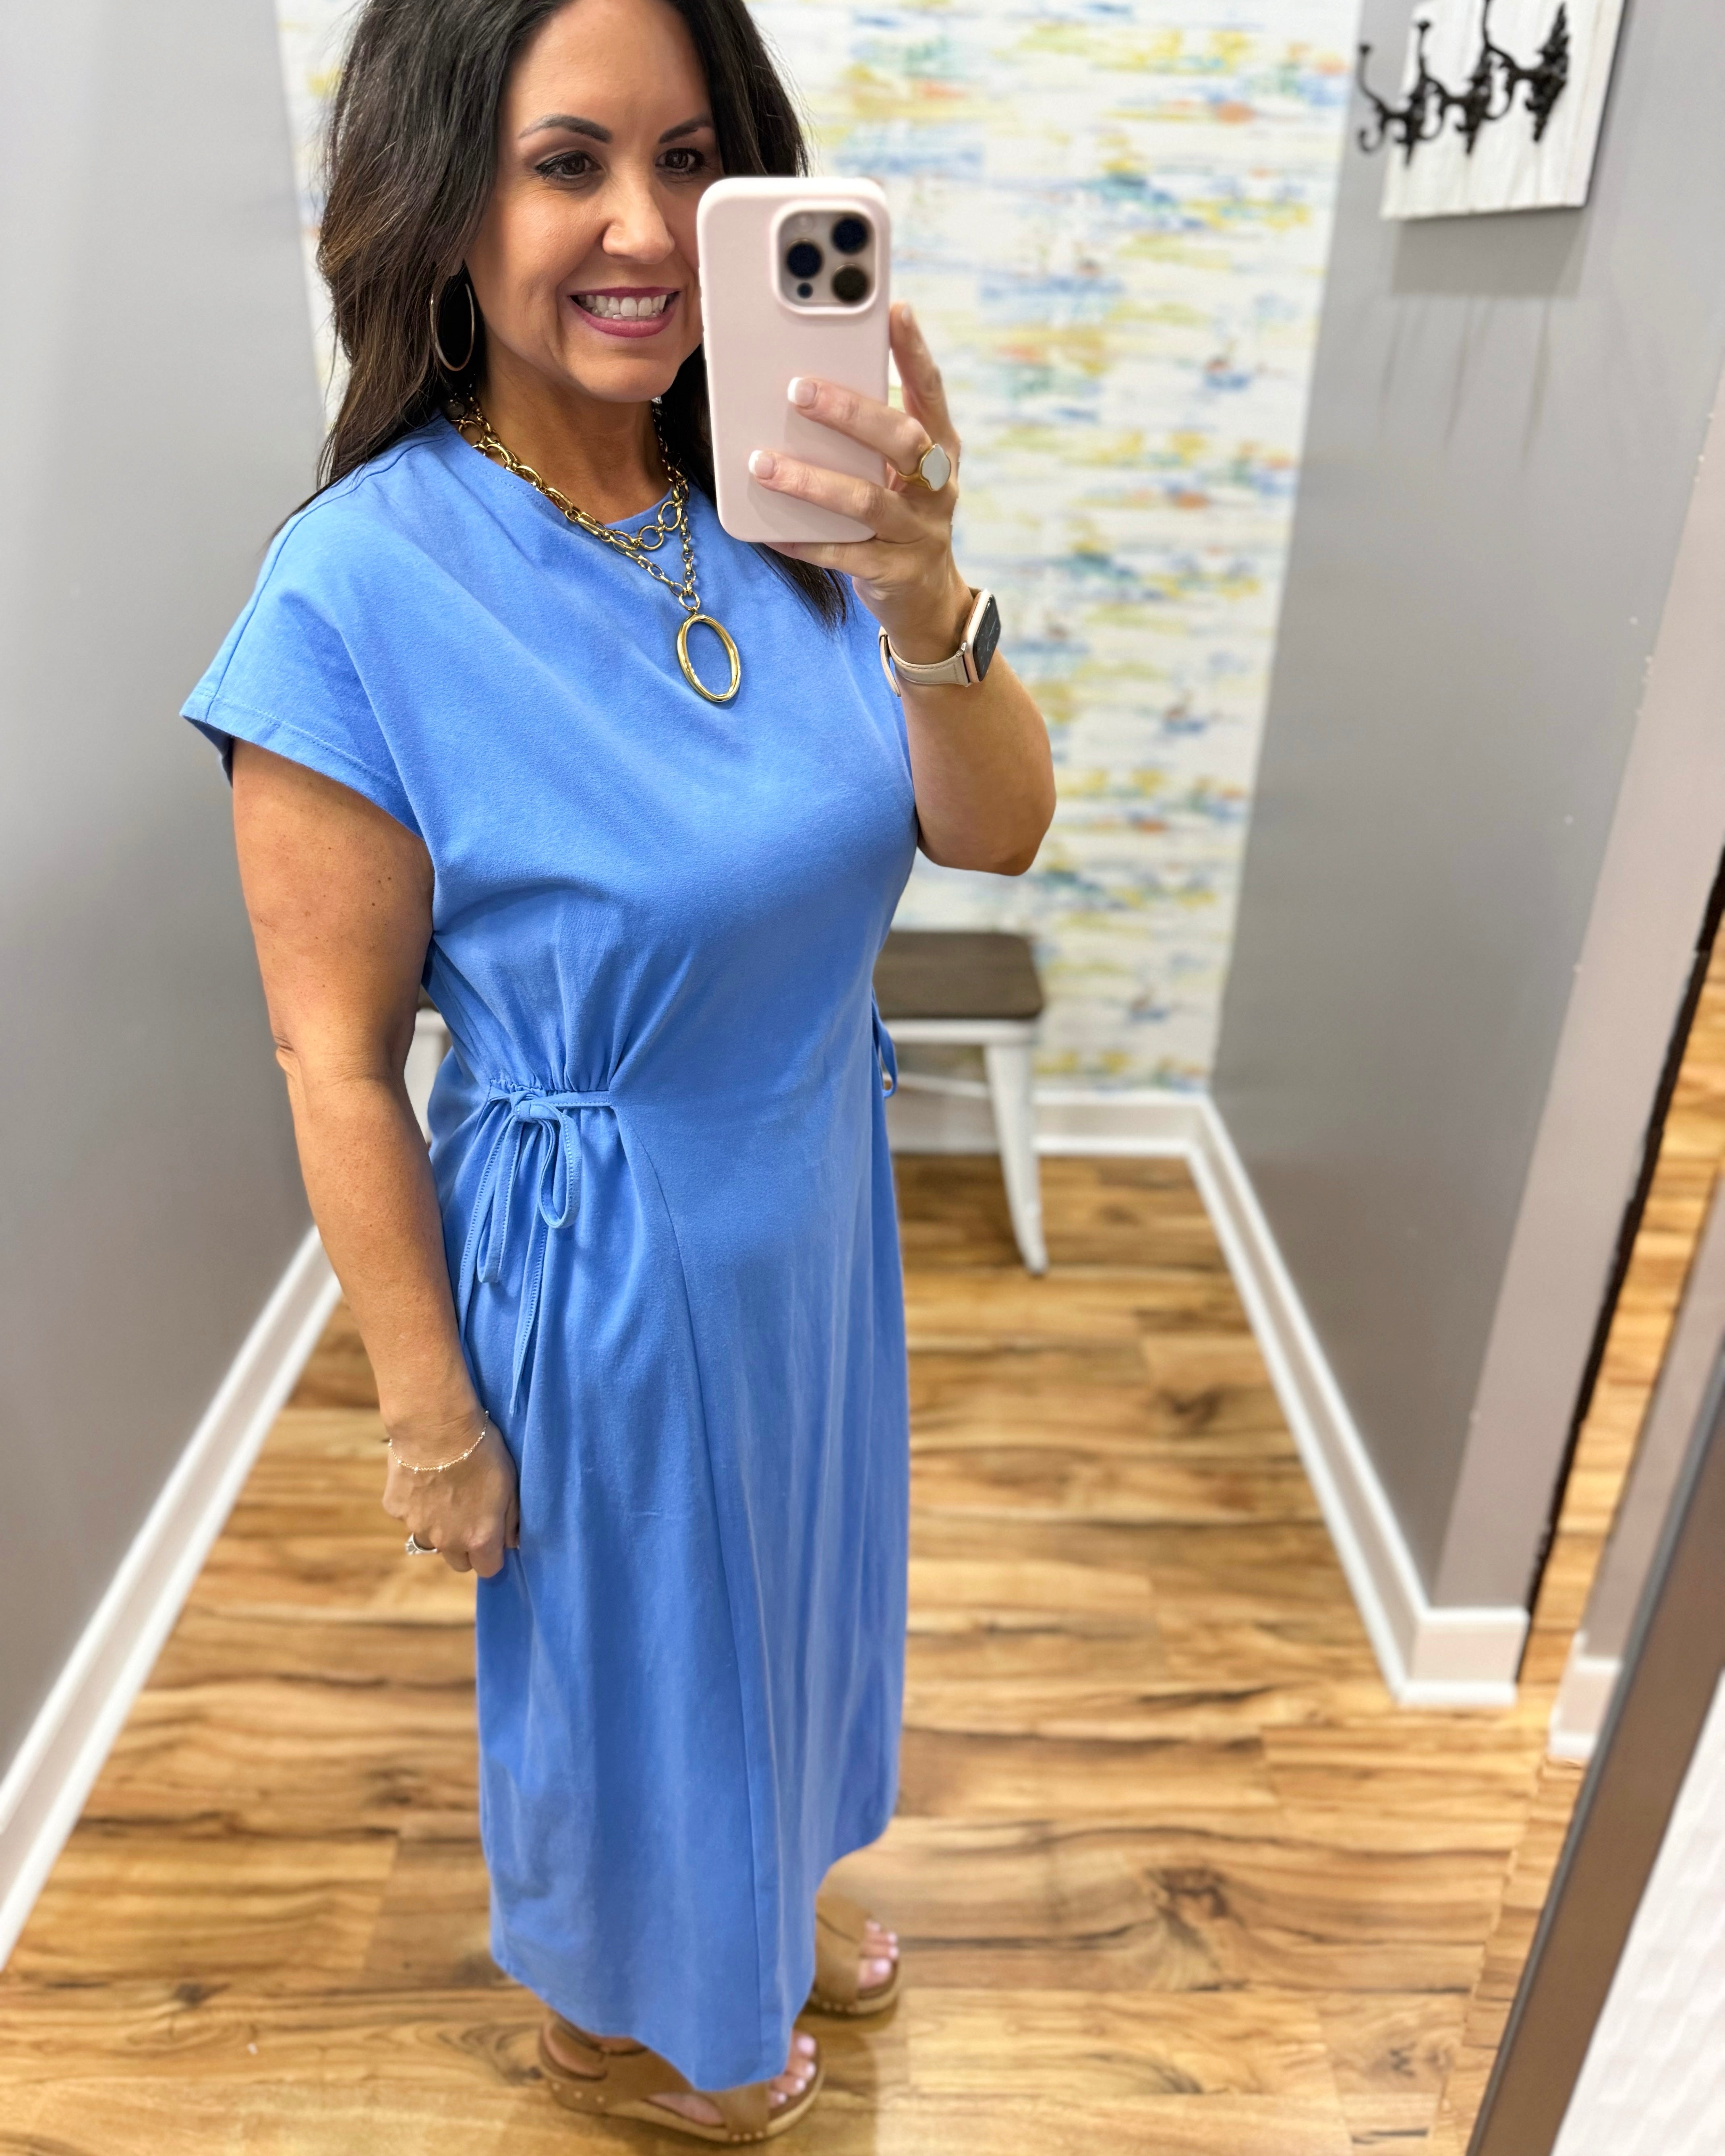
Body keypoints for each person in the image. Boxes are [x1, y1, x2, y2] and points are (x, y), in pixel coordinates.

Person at [185, 0, 1053, 2137]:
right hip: (610, 1263)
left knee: (803, 1607)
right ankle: (616, 2014)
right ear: (442, 195)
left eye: (693, 162)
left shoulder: (775, 490)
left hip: (814, 1203)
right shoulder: (356, 594)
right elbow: (335, 1064)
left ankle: (763, 1902)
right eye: (570, 162)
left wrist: (924, 584)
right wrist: (429, 1421)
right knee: (635, 1676)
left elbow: (994, 830)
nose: (645, 227)